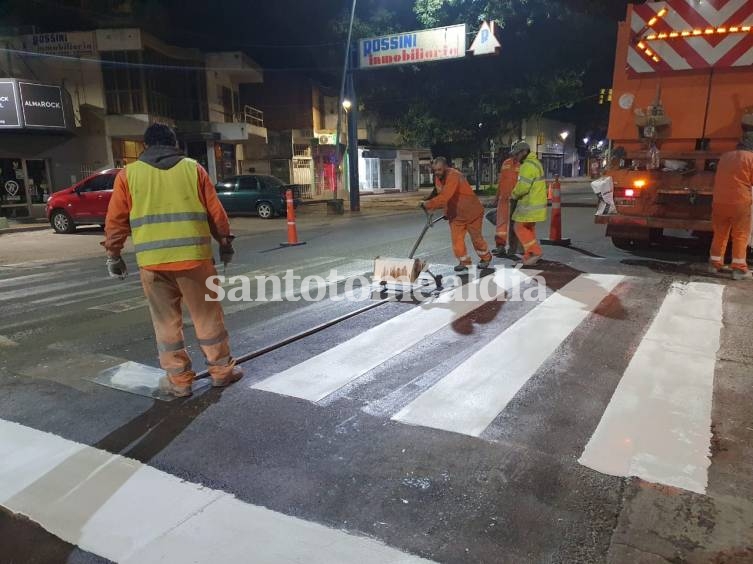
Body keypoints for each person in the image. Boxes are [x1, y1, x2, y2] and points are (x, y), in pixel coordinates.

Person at [103, 123, 242, 397]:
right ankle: (221, 372)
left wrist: (113, 254)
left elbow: (115, 220)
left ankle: (179, 382)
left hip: (153, 264)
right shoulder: (193, 169)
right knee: (207, 317)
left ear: (145, 146)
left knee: (165, 324)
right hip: (195, 262)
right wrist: (224, 242)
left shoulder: (129, 175)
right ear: (174, 143)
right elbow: (216, 213)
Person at [422, 156, 493, 272]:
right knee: (457, 240)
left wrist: (428, 204)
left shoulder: (454, 175)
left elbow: (445, 196)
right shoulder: (438, 179)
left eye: (439, 170)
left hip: (472, 212)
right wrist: (446, 212)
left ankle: (486, 257)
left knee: (476, 238)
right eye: (435, 170)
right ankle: (464, 262)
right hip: (456, 215)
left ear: (445, 167)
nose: (437, 172)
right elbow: (443, 196)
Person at [709, 128, 753, 280]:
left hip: (719, 201)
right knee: (740, 234)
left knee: (720, 232)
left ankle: (714, 264)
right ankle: (739, 269)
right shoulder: (751, 158)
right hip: (740, 202)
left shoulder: (725, 157)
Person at [510, 141, 548, 266]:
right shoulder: (535, 163)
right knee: (529, 229)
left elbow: (523, 187)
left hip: (529, 204)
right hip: (535, 204)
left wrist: (513, 194)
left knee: (518, 227)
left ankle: (535, 252)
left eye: (517, 154)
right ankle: (529, 255)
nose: (515, 157)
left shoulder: (527, 166)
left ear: (524, 152)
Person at [492, 151, 522, 256]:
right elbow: (501, 181)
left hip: (516, 199)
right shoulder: (505, 163)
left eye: (516, 154)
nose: (513, 156)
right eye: (512, 154)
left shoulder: (522, 165)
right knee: (501, 225)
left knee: (515, 224)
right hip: (503, 199)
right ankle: (500, 246)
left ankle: (514, 248)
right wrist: (497, 197)